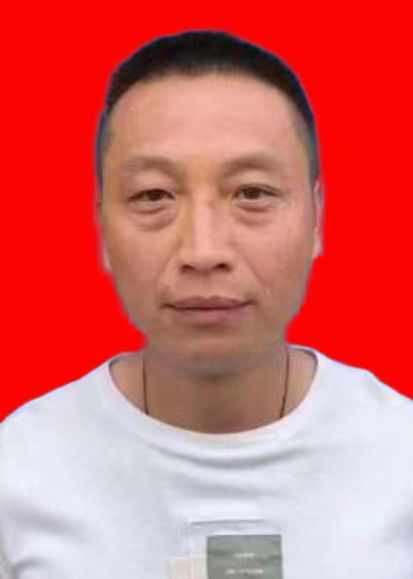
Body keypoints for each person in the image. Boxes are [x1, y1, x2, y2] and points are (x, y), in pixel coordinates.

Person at [0, 30, 412, 579]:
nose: (203, 251)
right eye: (153, 196)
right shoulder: (19, 472)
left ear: (317, 217)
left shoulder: (401, 459)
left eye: (252, 193)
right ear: (101, 228)